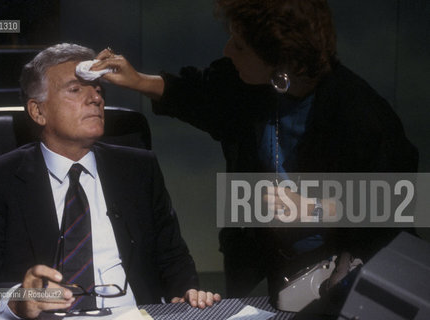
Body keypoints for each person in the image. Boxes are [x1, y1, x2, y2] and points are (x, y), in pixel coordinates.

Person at [89, 0, 418, 299]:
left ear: (281, 62)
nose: (228, 50)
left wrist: (316, 209)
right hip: (260, 262)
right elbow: (198, 94)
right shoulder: (247, 84)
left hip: (338, 274)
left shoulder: (363, 115)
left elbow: (401, 201)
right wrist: (135, 80)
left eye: (241, 46)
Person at [0, 43, 220, 319]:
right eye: (75, 89)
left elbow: (173, 258)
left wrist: (186, 291)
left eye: (98, 89)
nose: (95, 99)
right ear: (37, 111)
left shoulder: (139, 169)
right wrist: (18, 299)